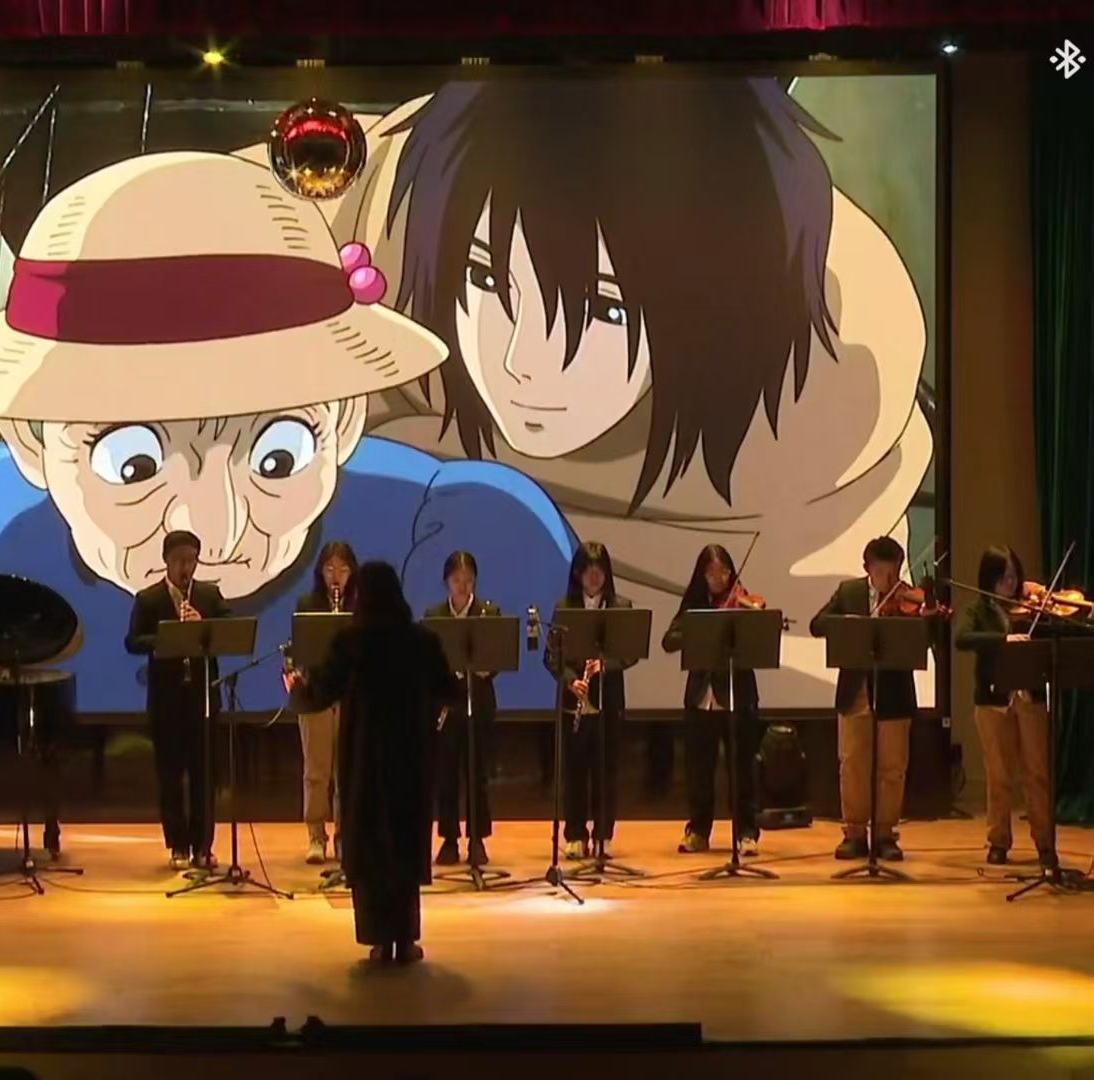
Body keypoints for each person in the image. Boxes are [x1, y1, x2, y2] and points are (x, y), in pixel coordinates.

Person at [237, 77, 932, 709]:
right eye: (486, 279)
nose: (522, 363)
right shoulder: (358, 222)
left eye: (607, 309)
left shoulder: (826, 438)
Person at [0, 151, 576, 716]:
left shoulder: (462, 525)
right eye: (133, 463)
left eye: (278, 455)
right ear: (30, 440)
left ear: (345, 419)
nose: (213, 529)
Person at [294, 561, 455, 963]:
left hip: (364, 759)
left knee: (369, 846)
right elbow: (450, 690)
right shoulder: (422, 640)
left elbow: (319, 694)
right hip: (411, 758)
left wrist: (296, 689)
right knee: (404, 842)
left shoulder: (350, 642)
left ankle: (379, 940)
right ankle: (405, 939)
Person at [125, 531, 232, 871]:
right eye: (179, 561)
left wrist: (205, 626)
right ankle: (178, 845)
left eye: (191, 560)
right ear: (166, 561)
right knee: (170, 776)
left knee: (204, 777)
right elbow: (132, 641)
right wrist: (165, 638)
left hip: (202, 699)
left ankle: (203, 846)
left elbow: (231, 629)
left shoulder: (209, 595)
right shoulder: (148, 598)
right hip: (167, 701)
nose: (186, 568)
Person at [809, 536, 920, 862]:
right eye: (881, 571)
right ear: (867, 568)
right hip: (856, 690)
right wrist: (848, 624)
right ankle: (855, 832)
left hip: (895, 692)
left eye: (894, 571)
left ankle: (885, 833)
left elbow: (927, 640)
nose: (888, 578)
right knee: (853, 764)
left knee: (893, 766)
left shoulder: (906, 598)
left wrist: (925, 617)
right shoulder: (850, 593)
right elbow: (817, 625)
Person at [953, 546, 1055, 868]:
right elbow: (962, 638)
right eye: (1003, 577)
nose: (1010, 583)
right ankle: (998, 840)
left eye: (1014, 576)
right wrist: (1002, 640)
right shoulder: (978, 610)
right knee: (998, 775)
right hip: (992, 701)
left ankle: (1045, 842)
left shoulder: (1031, 606)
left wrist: (1044, 600)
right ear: (989, 578)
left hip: (1029, 698)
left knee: (1037, 773)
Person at [660, 545, 763, 856]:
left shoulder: (742, 602)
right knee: (699, 771)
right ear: (702, 575)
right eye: (712, 573)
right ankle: (699, 831)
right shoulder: (694, 605)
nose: (719, 579)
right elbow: (669, 640)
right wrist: (702, 628)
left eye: (724, 572)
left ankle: (746, 832)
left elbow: (759, 639)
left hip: (737, 697)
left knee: (741, 769)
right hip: (700, 698)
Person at [545, 542, 635, 860]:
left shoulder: (621, 607)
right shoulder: (564, 608)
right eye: (588, 570)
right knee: (574, 771)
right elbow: (552, 656)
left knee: (606, 771)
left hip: (608, 701)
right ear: (578, 574)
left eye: (599, 571)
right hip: (576, 701)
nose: (594, 577)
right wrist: (572, 680)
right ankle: (574, 834)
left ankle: (603, 834)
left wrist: (604, 665)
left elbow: (630, 653)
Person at [424, 551, 499, 869]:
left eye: (468, 580)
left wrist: (484, 668)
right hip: (446, 703)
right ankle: (449, 839)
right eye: (457, 580)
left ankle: (477, 838)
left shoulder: (488, 613)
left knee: (477, 773)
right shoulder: (435, 615)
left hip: (478, 699)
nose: (463, 586)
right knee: (446, 773)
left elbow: (497, 656)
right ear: (447, 582)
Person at [290, 540, 358, 865]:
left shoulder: (359, 606)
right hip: (316, 694)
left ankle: (346, 835)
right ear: (320, 571)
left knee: (347, 772)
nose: (336, 576)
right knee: (316, 772)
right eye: (330, 568)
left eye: (343, 569)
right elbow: (300, 650)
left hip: (350, 697)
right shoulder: (308, 603)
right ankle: (316, 835)